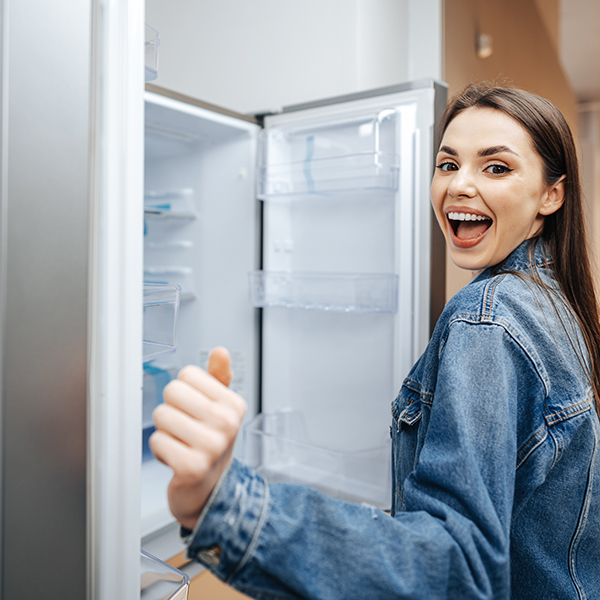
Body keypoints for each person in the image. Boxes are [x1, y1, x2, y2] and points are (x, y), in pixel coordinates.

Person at [150, 85, 600, 599]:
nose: (459, 187)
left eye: (495, 168)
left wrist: (223, 502)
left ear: (552, 194)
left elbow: (457, 570)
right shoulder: (552, 300)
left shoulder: (488, 321)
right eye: (448, 164)